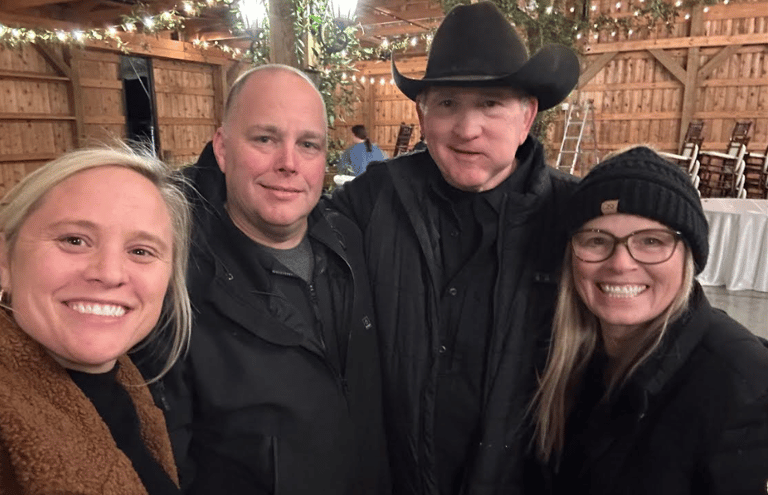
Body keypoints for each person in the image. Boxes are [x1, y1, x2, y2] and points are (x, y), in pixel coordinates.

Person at [330, 2, 580, 494]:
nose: (467, 129)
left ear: (527, 116)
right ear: (422, 116)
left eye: (491, 104)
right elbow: (281, 242)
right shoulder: (372, 199)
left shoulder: (575, 217)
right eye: (447, 104)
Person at [156, 64, 390, 495]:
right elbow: (169, 464)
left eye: (308, 144)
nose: (288, 163)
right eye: (265, 139)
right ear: (222, 148)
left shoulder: (350, 243)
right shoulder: (177, 284)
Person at [530, 146, 768, 494]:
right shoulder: (559, 355)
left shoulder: (741, 383)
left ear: (689, 256)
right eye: (596, 240)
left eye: (651, 241)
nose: (620, 263)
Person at [0, 146, 193, 494]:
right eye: (74, 240)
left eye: (140, 251)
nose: (109, 273)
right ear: (4, 261)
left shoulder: (131, 398)